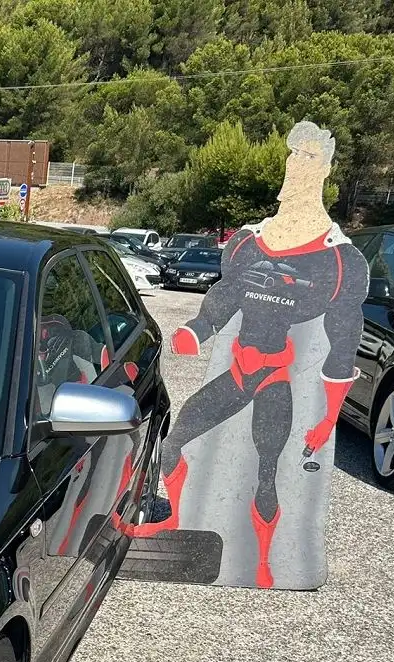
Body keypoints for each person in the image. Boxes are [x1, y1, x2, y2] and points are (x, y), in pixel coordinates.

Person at [126, 121, 369, 589]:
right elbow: (226, 293)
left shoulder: (340, 260)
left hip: (275, 379)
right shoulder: (248, 240)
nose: (296, 165)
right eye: (293, 154)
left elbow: (343, 341)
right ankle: (174, 519)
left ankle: (265, 563)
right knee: (175, 442)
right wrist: (198, 329)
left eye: (309, 157)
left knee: (267, 473)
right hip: (238, 372)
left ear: (325, 169)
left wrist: (327, 419)